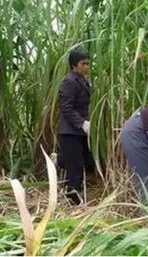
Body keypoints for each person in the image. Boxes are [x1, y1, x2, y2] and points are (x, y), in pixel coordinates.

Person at [57, 48, 95, 205]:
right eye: (83, 63)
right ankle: (72, 197)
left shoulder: (81, 80)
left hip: (79, 132)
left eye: (88, 63)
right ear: (74, 65)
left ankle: (59, 160)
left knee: (87, 162)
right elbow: (65, 107)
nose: (86, 66)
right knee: (76, 166)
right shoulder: (70, 81)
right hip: (70, 131)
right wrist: (82, 123)